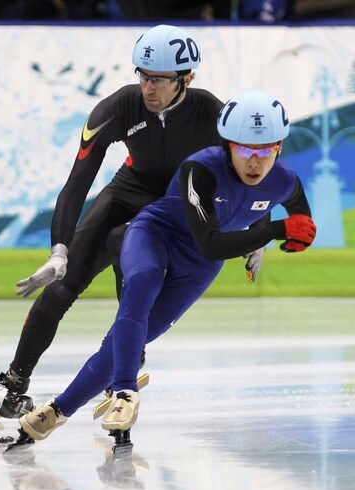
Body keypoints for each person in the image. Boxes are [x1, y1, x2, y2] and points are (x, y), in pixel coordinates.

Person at [16, 90, 317, 444]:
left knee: (127, 341)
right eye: (243, 149)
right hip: (156, 236)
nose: (254, 161)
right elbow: (210, 241)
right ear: (227, 146)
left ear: (278, 147)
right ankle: (125, 392)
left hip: (199, 267)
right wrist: (271, 231)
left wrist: (284, 235)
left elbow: (301, 216)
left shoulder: (285, 180)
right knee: (140, 286)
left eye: (264, 150)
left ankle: (56, 411)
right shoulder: (201, 169)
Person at [0, 24, 226, 417]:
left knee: (125, 242)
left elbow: (248, 173)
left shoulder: (213, 113)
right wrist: (58, 250)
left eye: (160, 80)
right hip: (126, 193)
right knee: (60, 287)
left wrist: (256, 234)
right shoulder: (118, 108)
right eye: (143, 75)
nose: (148, 88)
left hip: (171, 208)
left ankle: (128, 358)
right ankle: (15, 384)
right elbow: (76, 183)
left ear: (187, 78)